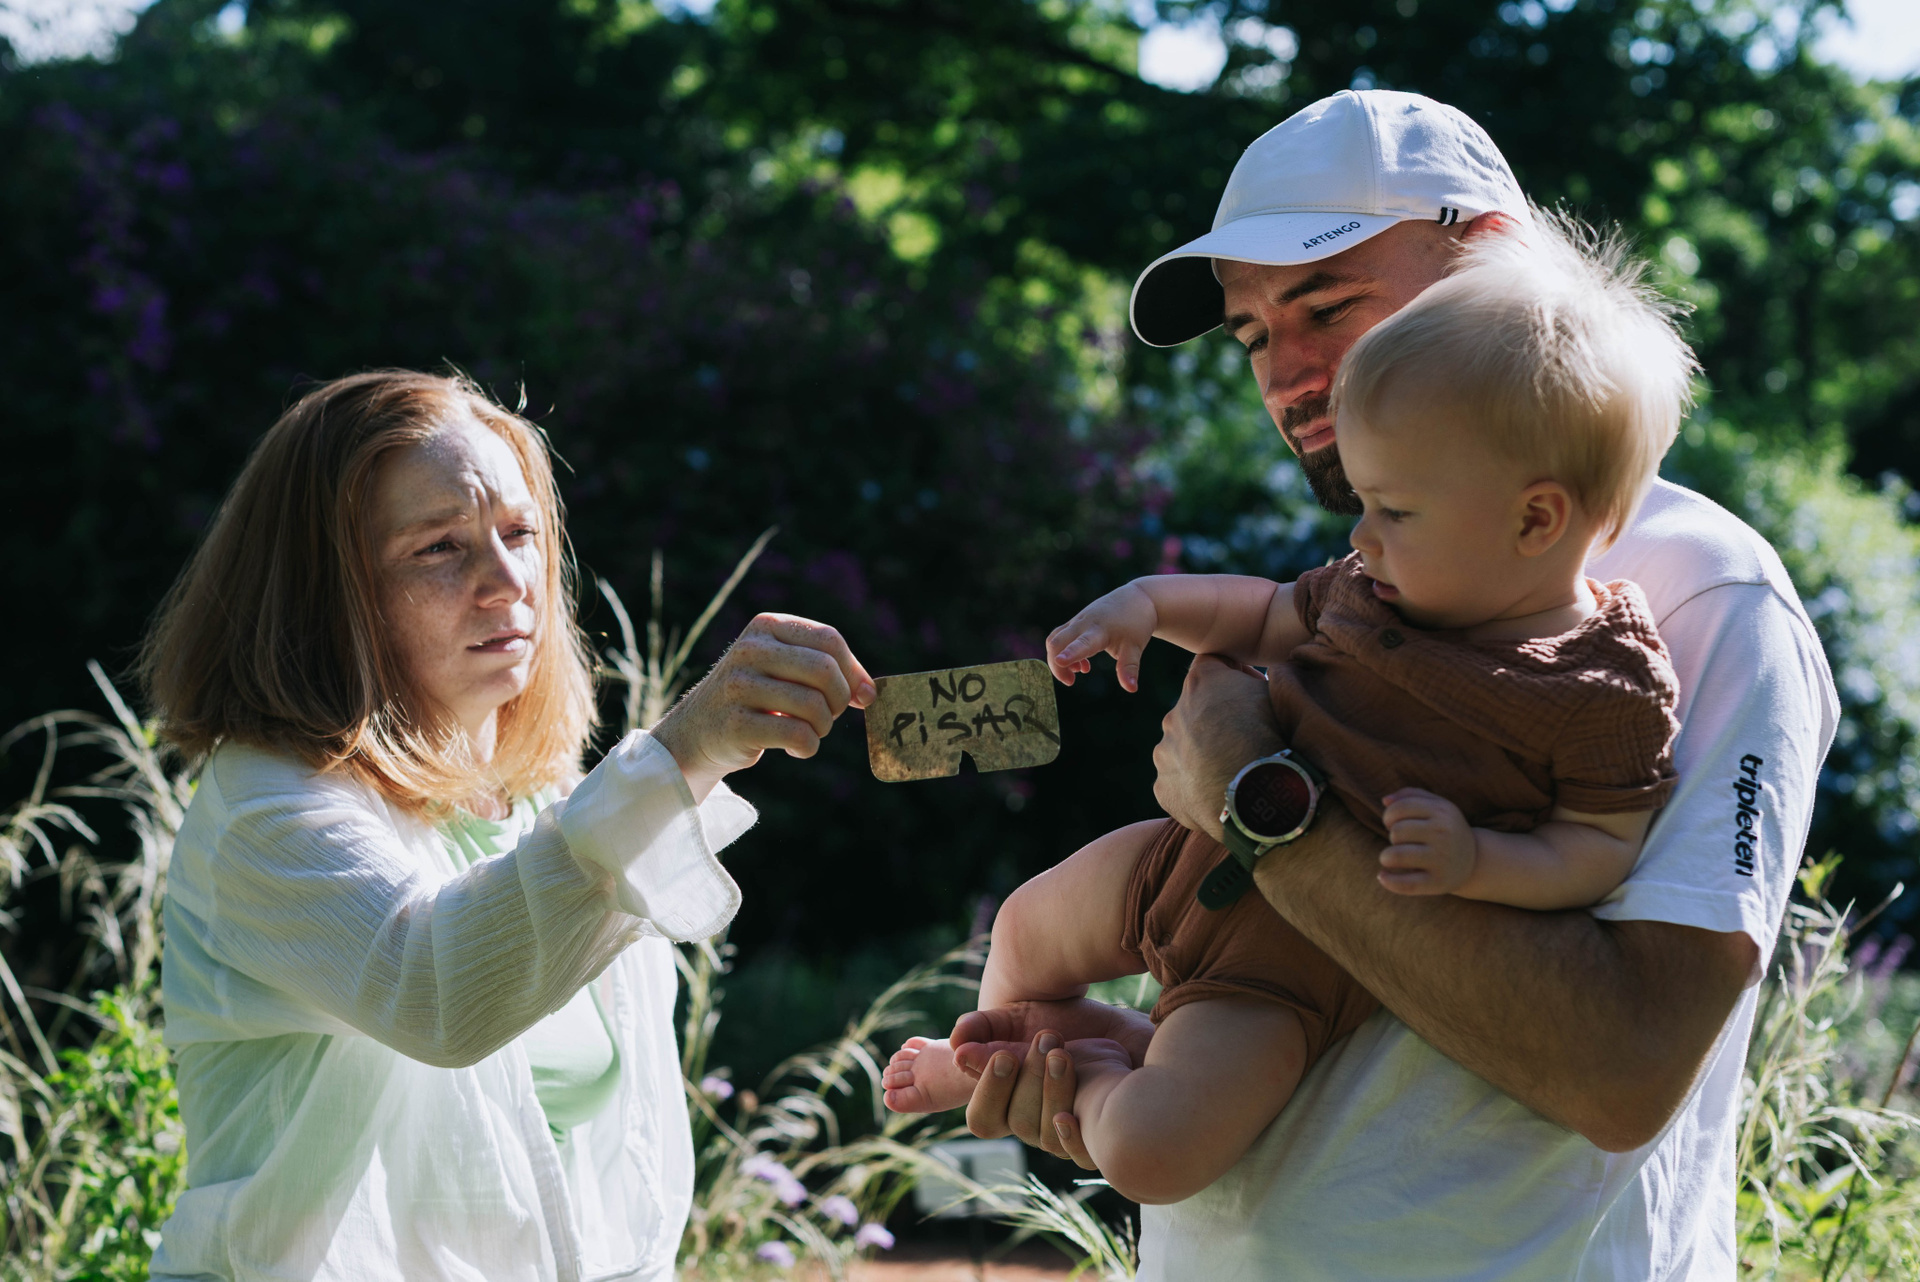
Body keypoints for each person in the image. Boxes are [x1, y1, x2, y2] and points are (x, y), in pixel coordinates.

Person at [957, 90, 1838, 1279]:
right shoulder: (1394, 562)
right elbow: (1342, 1008)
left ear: (1495, 259)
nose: (1288, 376)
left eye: (1327, 306)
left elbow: (1623, 1071)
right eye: (1254, 334)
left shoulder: (1706, 593)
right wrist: (1151, 1054)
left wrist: (1258, 802)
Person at [882, 218, 1689, 1207]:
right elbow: (1262, 612)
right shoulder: (1379, 585)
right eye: (1367, 504)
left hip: (1287, 968)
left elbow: (1599, 844)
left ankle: (1097, 1075)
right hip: (1176, 854)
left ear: (1536, 519)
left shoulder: (1604, 684)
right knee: (1023, 926)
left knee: (1154, 1151)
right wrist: (1149, 605)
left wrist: (1479, 862)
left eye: (1394, 510)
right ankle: (1003, 1055)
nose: (1363, 535)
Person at [141, 370, 874, 1281]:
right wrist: (682, 756)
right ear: (324, 593)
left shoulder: (546, 803)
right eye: (440, 547)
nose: (507, 581)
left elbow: (619, 1167)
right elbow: (436, 992)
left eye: (521, 533)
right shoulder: (263, 808)